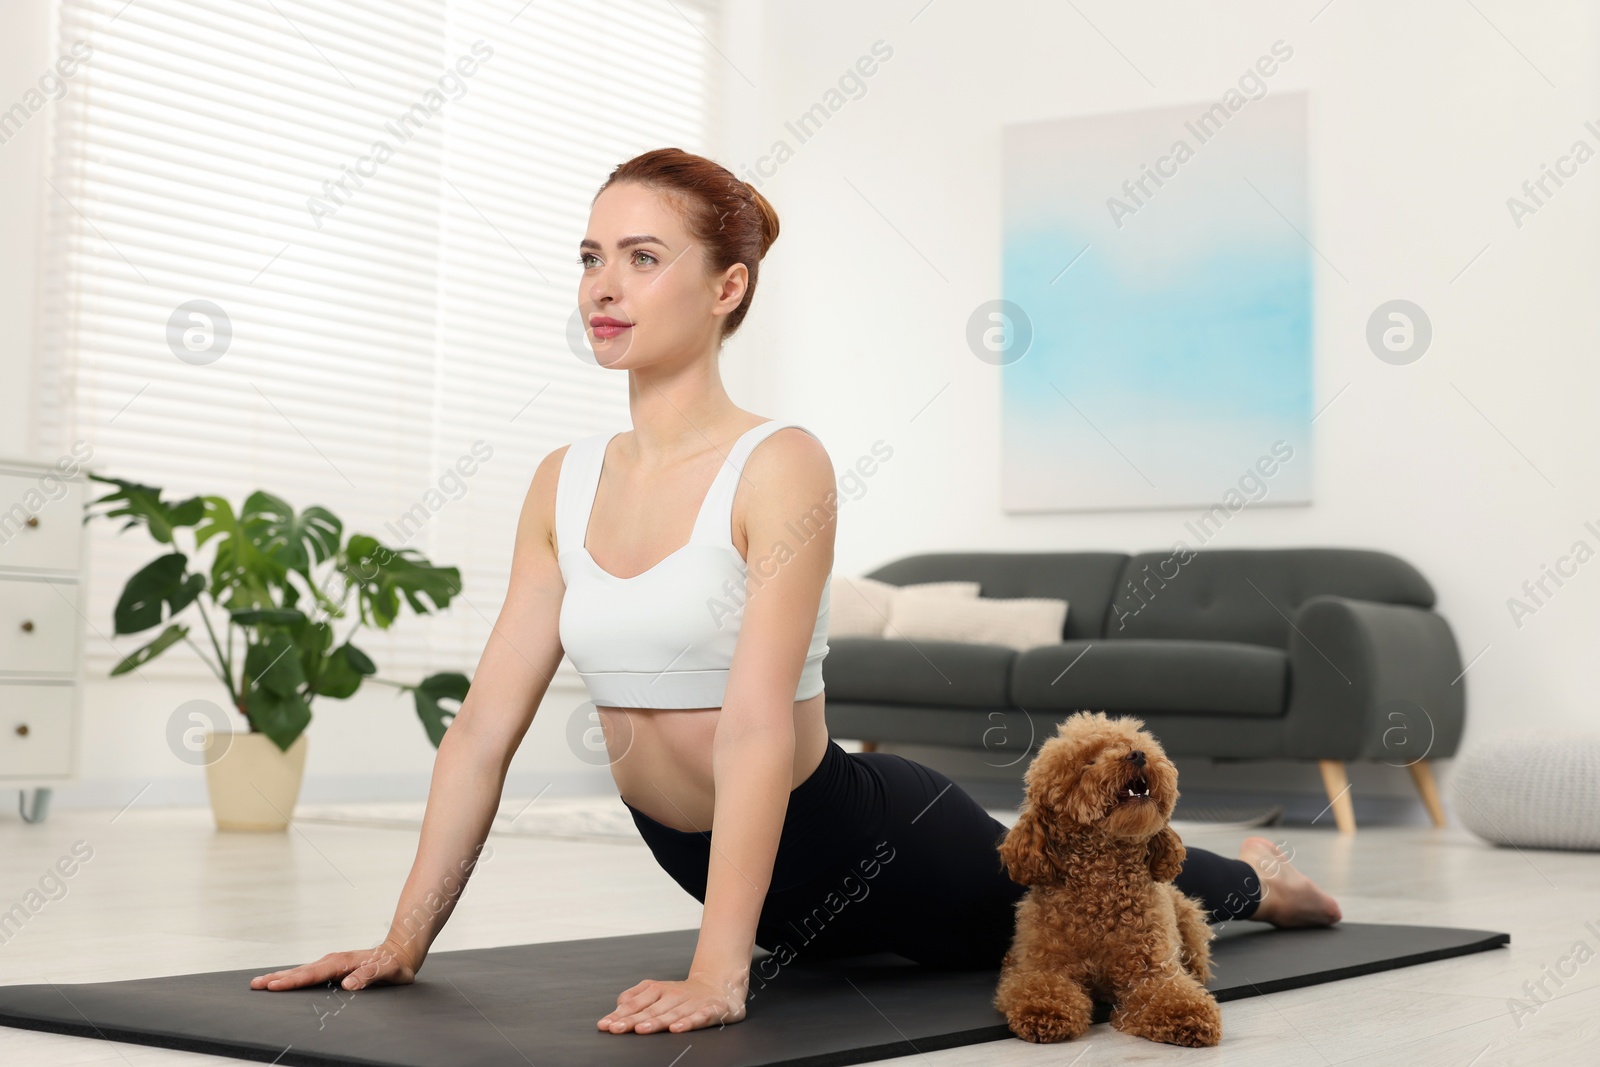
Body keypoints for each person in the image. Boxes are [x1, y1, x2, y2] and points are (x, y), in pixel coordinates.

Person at [248, 147, 1341, 1036]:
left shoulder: (780, 463)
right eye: (590, 256)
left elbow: (757, 723)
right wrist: (403, 939)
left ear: (727, 287)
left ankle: (1253, 880)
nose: (603, 286)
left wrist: (721, 974)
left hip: (869, 839)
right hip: (727, 868)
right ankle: (1242, 870)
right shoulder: (561, 480)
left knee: (1051, 880)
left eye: (640, 256)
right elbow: (483, 729)